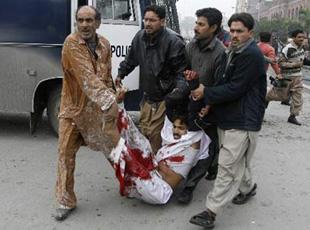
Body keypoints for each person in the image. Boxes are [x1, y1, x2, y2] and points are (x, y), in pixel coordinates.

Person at [188, 13, 266, 228]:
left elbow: (236, 88)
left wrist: (206, 93)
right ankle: (248, 188)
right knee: (237, 161)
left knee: (226, 166)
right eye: (232, 30)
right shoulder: (234, 51)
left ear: (251, 32)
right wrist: (209, 103)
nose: (235, 35)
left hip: (243, 119)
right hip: (230, 116)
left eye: (240, 31)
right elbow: (224, 81)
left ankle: (210, 212)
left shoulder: (251, 54)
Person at [54, 6, 125, 221]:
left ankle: (131, 184)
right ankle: (65, 201)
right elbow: (88, 79)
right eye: (80, 20)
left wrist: (115, 93)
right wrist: (110, 101)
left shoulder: (104, 44)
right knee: (66, 155)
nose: (84, 24)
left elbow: (105, 77)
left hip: (96, 110)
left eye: (89, 20)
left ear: (98, 23)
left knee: (114, 148)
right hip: (73, 111)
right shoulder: (71, 43)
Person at [114, 5, 187, 153]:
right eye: (146, 19)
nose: (147, 23)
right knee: (146, 131)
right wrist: (121, 74)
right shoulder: (140, 37)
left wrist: (177, 93)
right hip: (147, 95)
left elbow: (181, 73)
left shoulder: (174, 42)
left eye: (152, 20)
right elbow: (131, 59)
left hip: (165, 97)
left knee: (155, 135)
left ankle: (156, 170)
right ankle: (151, 164)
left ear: (162, 21)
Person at [110, 107, 210, 204]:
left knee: (124, 154)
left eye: (181, 128)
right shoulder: (172, 143)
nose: (175, 131)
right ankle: (115, 113)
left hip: (159, 191)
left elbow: (196, 132)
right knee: (135, 145)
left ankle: (110, 125)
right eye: (174, 127)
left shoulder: (192, 146)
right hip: (150, 179)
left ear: (189, 131)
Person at [177, 8, 225, 204]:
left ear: (213, 28)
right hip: (192, 102)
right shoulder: (191, 46)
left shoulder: (221, 53)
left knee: (210, 144)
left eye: (201, 24)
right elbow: (185, 71)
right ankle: (206, 168)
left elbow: (222, 84)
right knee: (194, 143)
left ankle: (189, 188)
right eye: (196, 23)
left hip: (211, 104)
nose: (196, 27)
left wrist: (210, 105)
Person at [266, 29, 305, 125]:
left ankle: (292, 116)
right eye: (299, 37)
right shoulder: (288, 49)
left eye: (303, 37)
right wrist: (294, 65)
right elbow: (280, 63)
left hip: (298, 77)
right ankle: (265, 100)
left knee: (298, 98)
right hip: (287, 77)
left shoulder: (302, 48)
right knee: (279, 96)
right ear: (294, 38)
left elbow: (302, 60)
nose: (301, 39)